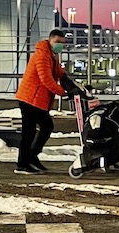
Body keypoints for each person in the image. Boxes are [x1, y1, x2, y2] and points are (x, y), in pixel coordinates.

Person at [14, 28, 84, 175]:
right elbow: (46, 79)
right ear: (50, 40)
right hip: (30, 98)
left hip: (38, 100)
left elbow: (59, 73)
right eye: (57, 42)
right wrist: (64, 92)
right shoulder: (42, 55)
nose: (60, 45)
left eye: (62, 43)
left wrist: (71, 85)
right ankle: (22, 163)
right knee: (30, 132)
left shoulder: (53, 55)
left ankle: (31, 156)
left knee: (46, 126)